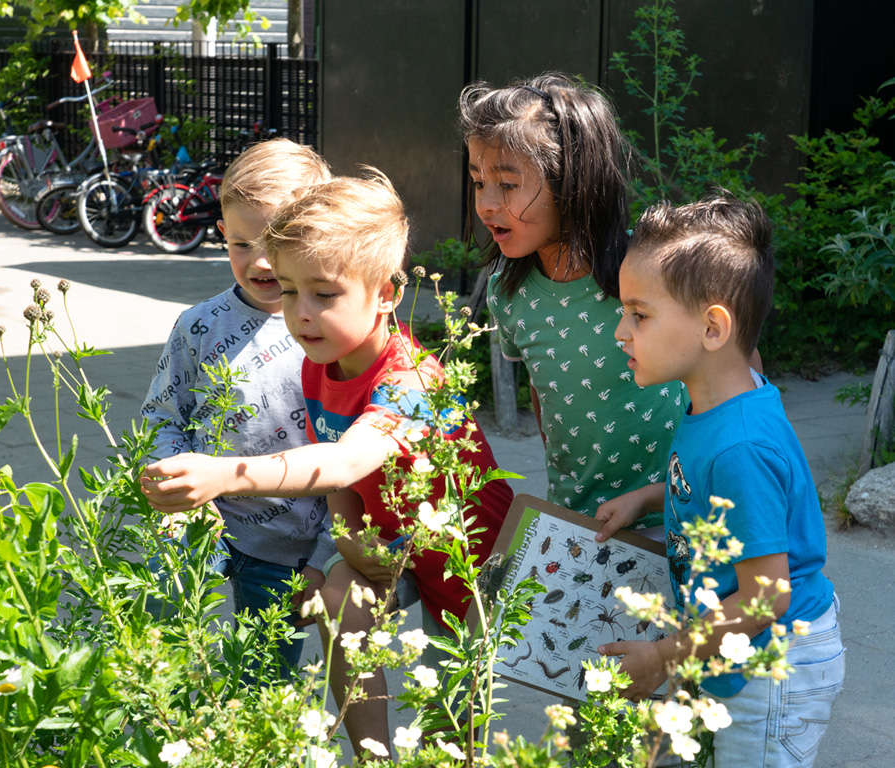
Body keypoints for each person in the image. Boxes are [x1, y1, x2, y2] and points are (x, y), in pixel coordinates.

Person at [141, 171, 513, 756]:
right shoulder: (324, 362)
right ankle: (372, 753)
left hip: (473, 562)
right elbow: (345, 491)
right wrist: (346, 544)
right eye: (289, 291)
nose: (301, 313)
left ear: (387, 294)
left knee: (454, 717)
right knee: (338, 596)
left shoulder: (412, 379)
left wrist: (224, 475)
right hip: (401, 547)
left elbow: (343, 460)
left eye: (325, 293)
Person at [595, 195, 844, 768]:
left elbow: (767, 593)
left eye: (638, 314)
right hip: (744, 655)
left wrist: (662, 658)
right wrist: (651, 497)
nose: (619, 332)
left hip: (775, 668)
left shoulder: (740, 446)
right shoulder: (722, 397)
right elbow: (728, 501)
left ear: (712, 328)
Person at [460, 72, 689, 531]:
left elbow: (734, 370)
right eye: (478, 180)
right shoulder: (508, 290)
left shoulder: (651, 270)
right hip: (580, 521)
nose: (486, 204)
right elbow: (544, 391)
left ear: (574, 182)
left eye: (507, 184)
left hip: (680, 515)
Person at [139, 138, 333, 669]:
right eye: (242, 243)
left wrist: (325, 560)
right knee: (159, 659)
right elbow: (162, 416)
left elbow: (354, 462)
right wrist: (172, 489)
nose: (261, 260)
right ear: (222, 232)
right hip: (200, 529)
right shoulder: (198, 325)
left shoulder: (332, 332)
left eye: (279, 240)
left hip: (290, 547)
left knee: (262, 681)